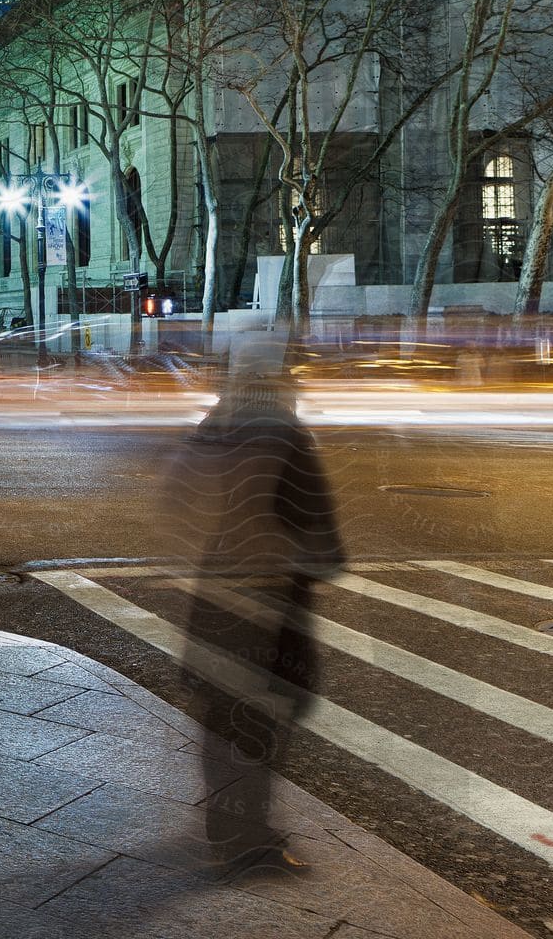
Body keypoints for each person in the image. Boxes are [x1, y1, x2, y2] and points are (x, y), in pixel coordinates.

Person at [169, 338, 343, 871]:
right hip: (272, 599)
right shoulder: (287, 434)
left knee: (223, 712)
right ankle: (248, 838)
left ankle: (228, 825)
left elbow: (180, 495)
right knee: (267, 714)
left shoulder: (216, 424)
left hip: (217, 587)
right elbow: (320, 528)